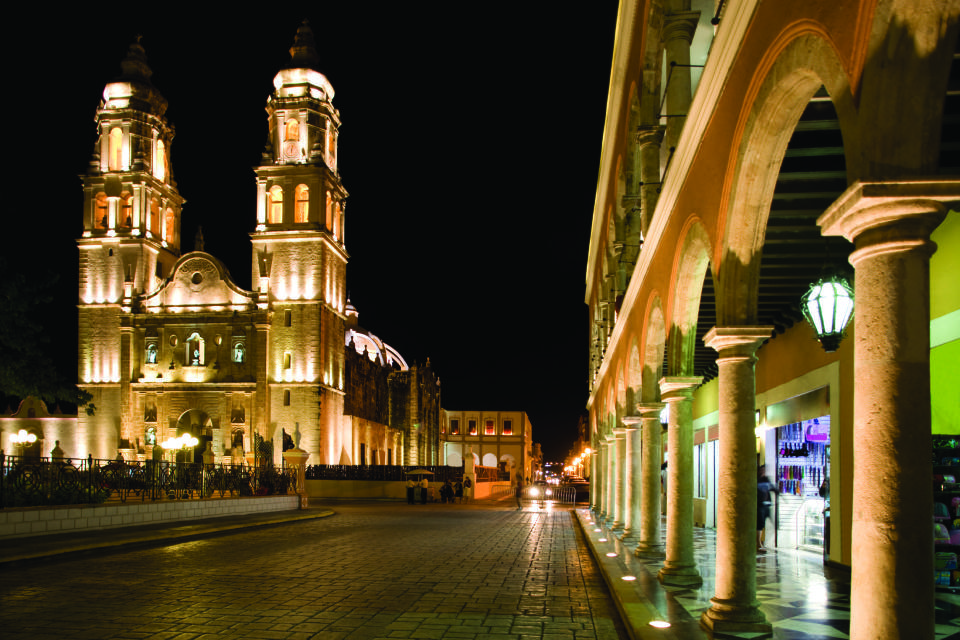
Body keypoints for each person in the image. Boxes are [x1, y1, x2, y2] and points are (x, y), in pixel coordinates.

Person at [757, 464, 778, 553]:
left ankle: (760, 544)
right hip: (760, 505)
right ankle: (758, 544)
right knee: (759, 526)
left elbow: (773, 489)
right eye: (762, 470)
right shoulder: (756, 480)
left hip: (767, 505)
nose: (763, 472)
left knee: (765, 524)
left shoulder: (766, 479)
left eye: (764, 470)